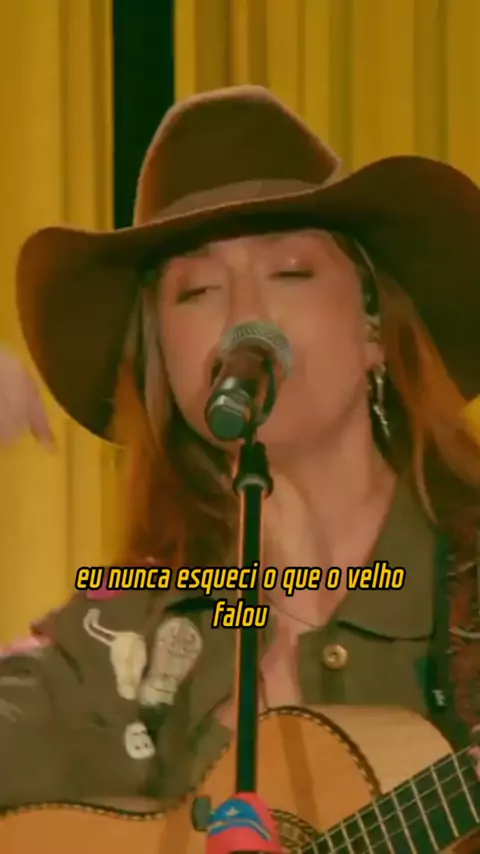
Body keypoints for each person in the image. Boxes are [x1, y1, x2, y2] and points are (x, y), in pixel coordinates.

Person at [1, 85, 480, 850]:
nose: (243, 314)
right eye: (196, 290)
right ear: (166, 366)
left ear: (373, 331)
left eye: (290, 271)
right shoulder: (119, 634)